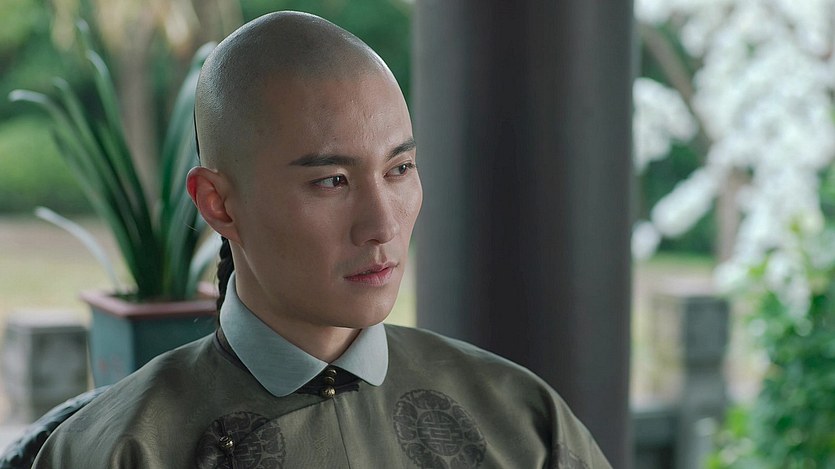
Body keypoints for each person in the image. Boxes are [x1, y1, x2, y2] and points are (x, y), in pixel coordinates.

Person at [33, 11, 611, 468]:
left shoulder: (520, 419)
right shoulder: (122, 449)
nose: (382, 225)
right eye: (331, 181)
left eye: (399, 169)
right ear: (218, 202)